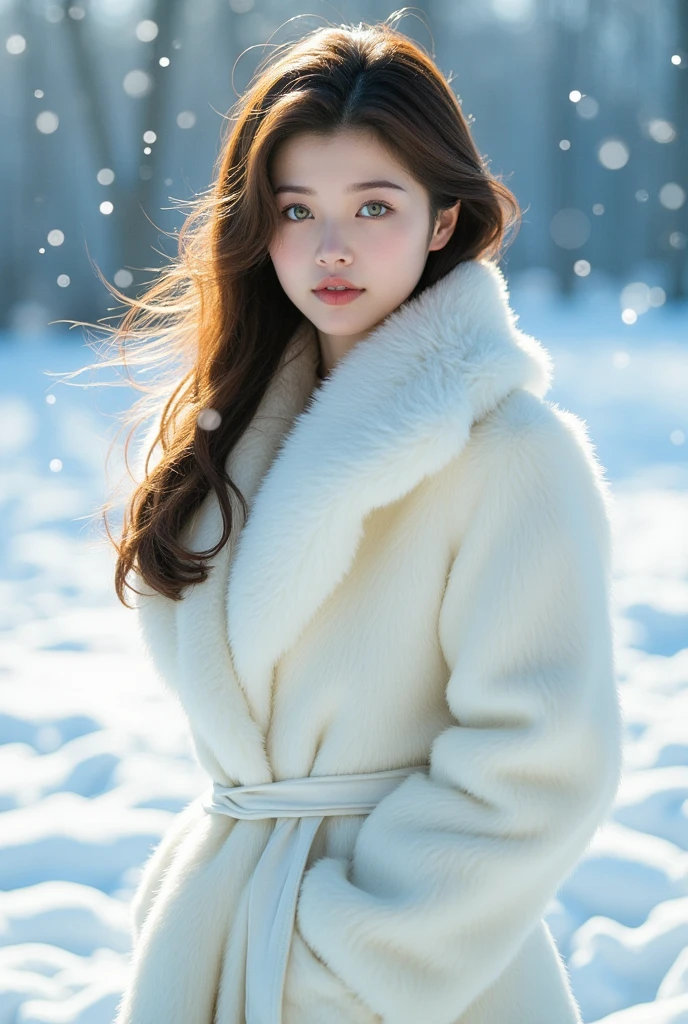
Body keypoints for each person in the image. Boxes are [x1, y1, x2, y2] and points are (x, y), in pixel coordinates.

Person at [93, 15, 623, 1024]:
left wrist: (344, 966)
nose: (329, 248)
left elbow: (541, 766)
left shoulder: (513, 455)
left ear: (441, 221)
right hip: (223, 944)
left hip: (409, 979)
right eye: (296, 210)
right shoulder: (243, 430)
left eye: (373, 205)